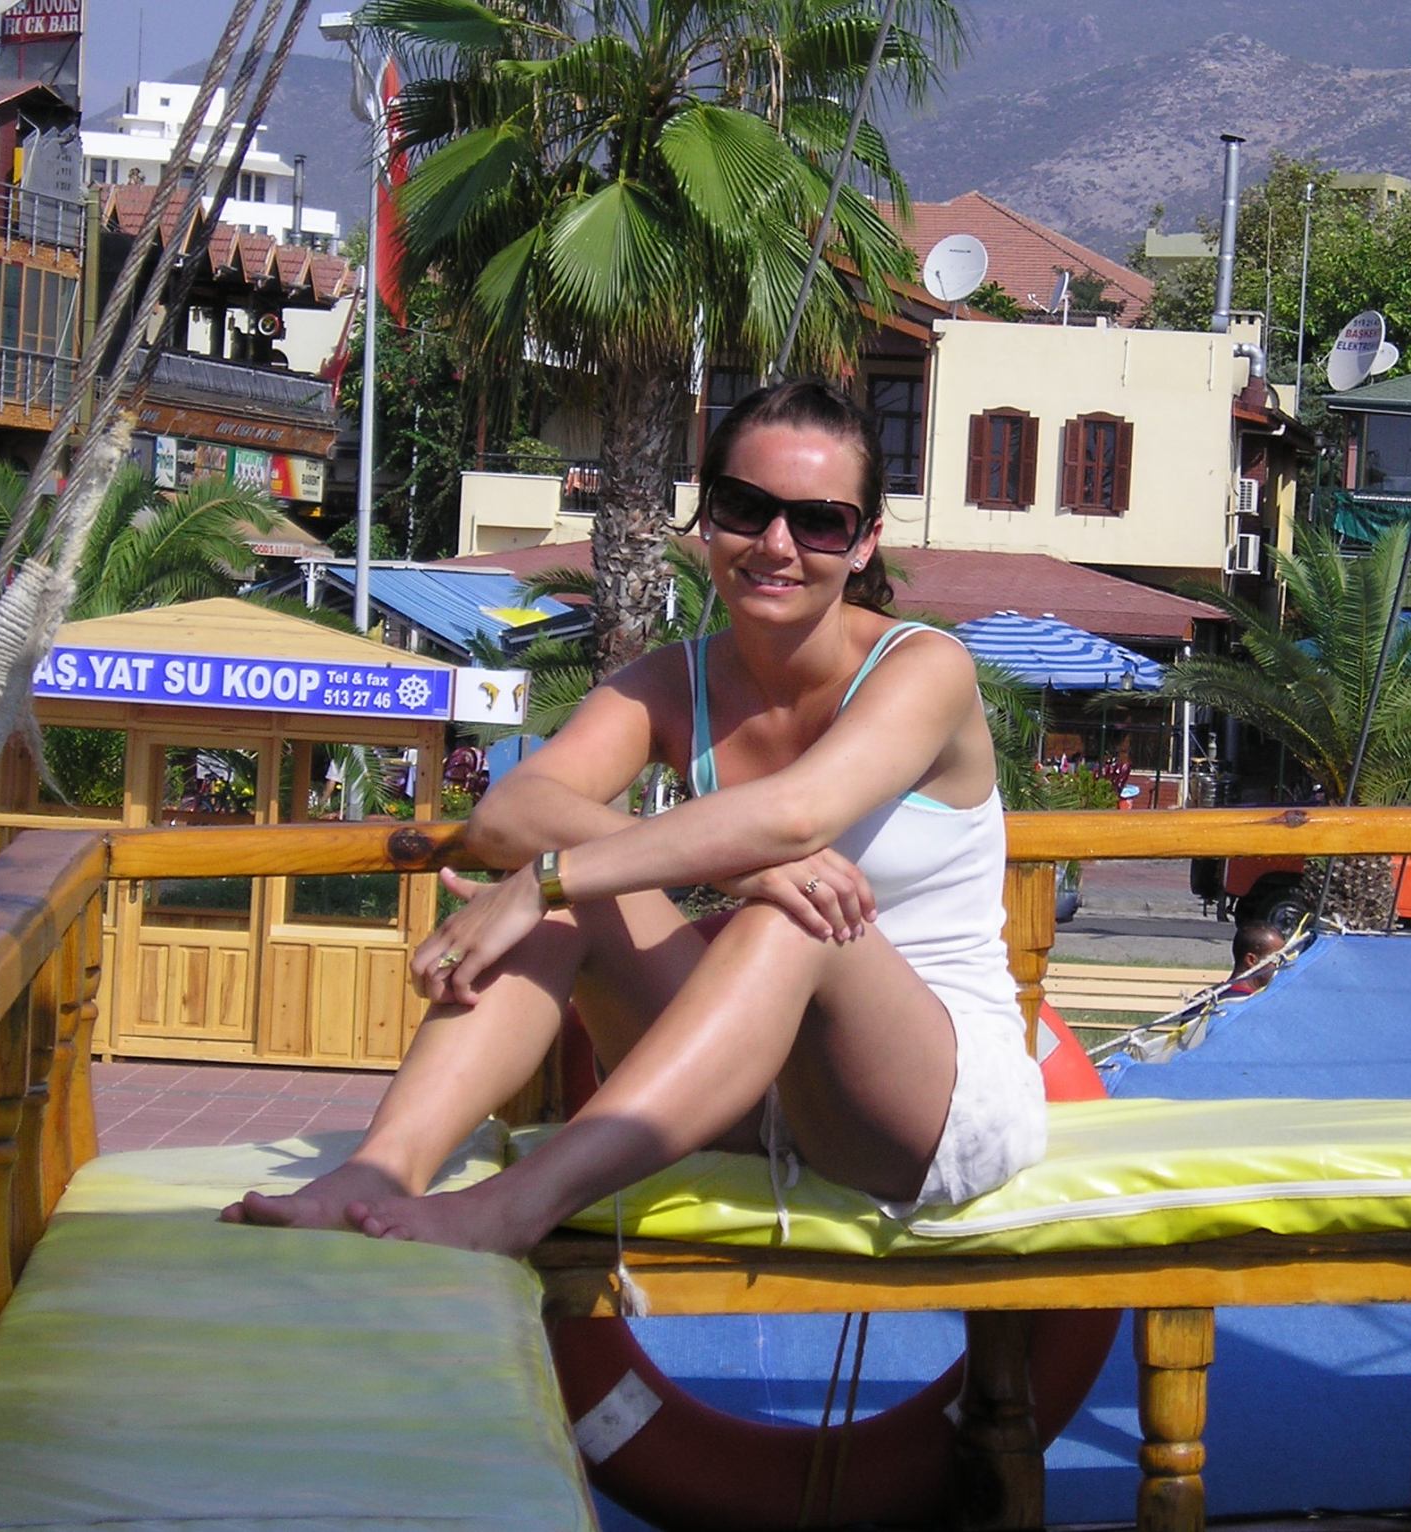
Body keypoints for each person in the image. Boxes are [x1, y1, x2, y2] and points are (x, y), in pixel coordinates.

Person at [223, 380, 1047, 1256]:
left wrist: (548, 877)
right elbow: (512, 810)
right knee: (589, 906)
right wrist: (674, 873)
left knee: (792, 917)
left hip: (926, 1099)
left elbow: (796, 816)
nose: (776, 544)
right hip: (745, 1079)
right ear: (706, 516)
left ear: (864, 541)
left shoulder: (925, 668)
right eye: (746, 507)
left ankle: (517, 1206)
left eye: (819, 522)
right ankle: (380, 1170)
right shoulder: (673, 681)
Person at [1224, 922, 1286, 996]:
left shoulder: (1215, 995)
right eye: (1278, 960)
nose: (1284, 965)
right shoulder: (1244, 1001)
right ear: (1251, 960)